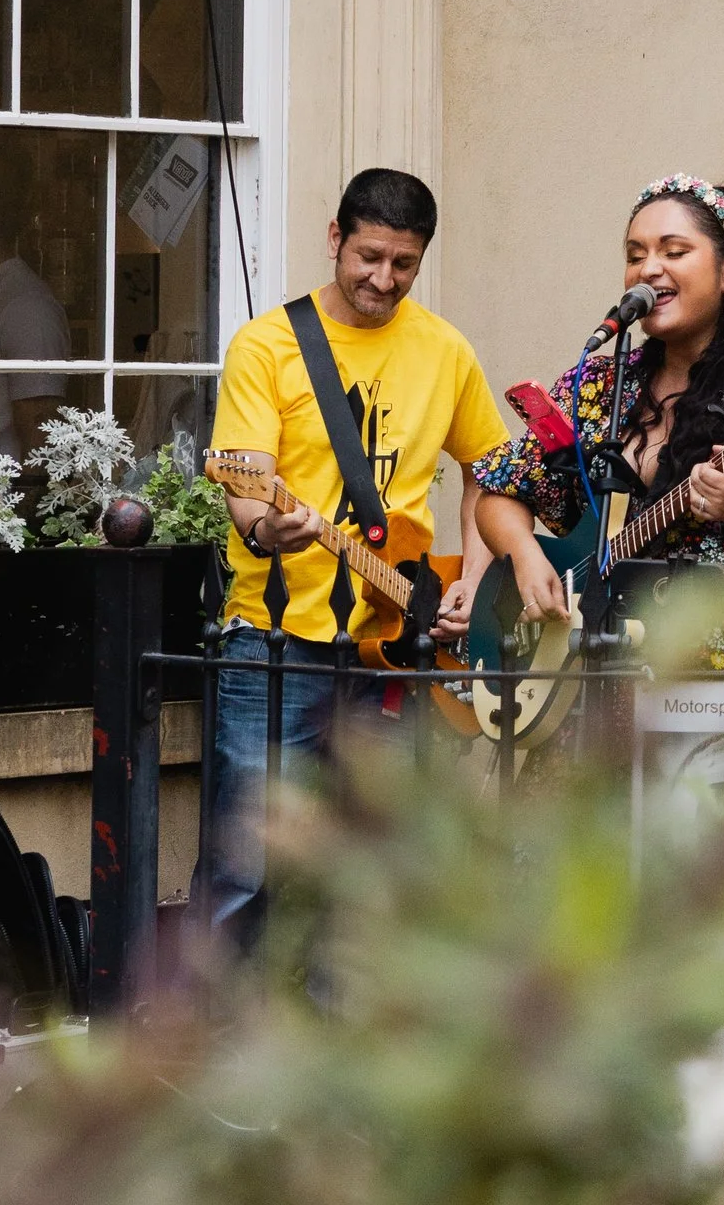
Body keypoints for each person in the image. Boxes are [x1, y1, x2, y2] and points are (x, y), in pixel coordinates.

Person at [205, 166, 512, 924]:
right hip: (277, 638)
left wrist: (472, 577)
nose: (383, 277)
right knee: (251, 860)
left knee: (380, 866)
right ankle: (225, 1034)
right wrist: (264, 523)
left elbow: (491, 473)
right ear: (335, 237)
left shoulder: (445, 350)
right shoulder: (267, 345)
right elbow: (247, 482)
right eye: (368, 256)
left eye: (403, 263)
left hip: (400, 640)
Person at [472, 176, 724, 673]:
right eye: (635, 255)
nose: (649, 269)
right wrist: (525, 557)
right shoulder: (604, 386)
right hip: (612, 683)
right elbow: (500, 493)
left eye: (674, 252)